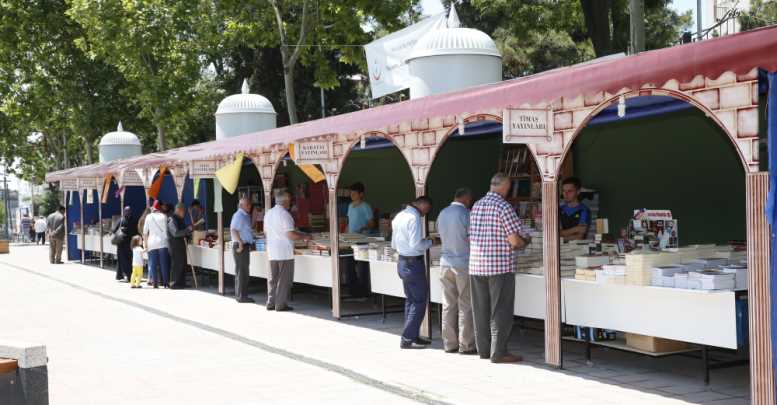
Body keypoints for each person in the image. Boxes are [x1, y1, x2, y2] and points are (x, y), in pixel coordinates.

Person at [469, 173, 530, 363]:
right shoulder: (504, 206)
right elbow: (514, 240)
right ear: (505, 187)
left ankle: (484, 350)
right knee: (500, 310)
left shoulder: (476, 205)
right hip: (499, 266)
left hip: (476, 265)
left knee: (480, 310)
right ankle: (499, 352)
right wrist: (525, 241)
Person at [437, 188, 476, 355]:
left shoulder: (442, 213)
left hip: (445, 263)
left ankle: (449, 343)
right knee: (465, 304)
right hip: (463, 263)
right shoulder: (466, 214)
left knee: (448, 304)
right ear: (466, 199)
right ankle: (466, 344)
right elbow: (471, 238)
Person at [391, 196, 434, 349]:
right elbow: (416, 244)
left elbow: (394, 243)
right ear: (423, 204)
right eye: (427, 210)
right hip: (413, 263)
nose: (425, 214)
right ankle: (408, 338)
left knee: (411, 300)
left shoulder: (399, 216)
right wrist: (430, 242)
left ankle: (413, 335)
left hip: (402, 261)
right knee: (419, 301)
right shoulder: (414, 217)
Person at [264, 189, 312, 311]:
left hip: (272, 250)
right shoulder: (285, 214)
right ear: (285, 201)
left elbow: (265, 232)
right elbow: (290, 234)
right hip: (284, 251)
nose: (290, 202)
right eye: (289, 200)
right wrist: (304, 236)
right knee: (284, 280)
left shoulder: (268, 213)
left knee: (273, 279)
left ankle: (271, 302)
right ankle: (280, 304)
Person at [346, 182, 374, 297]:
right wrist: (345, 234)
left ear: (361, 194)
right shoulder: (350, 206)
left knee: (362, 267)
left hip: (362, 240)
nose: (352, 195)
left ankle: (364, 292)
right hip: (350, 239)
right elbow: (349, 222)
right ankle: (352, 291)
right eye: (351, 193)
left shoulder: (365, 206)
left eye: (354, 193)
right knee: (349, 265)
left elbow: (372, 223)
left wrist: (362, 228)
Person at [231, 196, 255, 303]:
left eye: (250, 204)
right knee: (242, 271)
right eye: (247, 204)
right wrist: (240, 243)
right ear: (241, 205)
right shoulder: (239, 215)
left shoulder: (245, 215)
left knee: (244, 271)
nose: (249, 206)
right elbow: (233, 230)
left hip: (245, 245)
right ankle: (241, 296)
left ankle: (242, 295)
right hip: (240, 246)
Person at [143, 201, 170, 288]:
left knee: (153, 263)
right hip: (162, 242)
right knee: (163, 263)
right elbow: (166, 230)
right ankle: (165, 283)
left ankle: (155, 283)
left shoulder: (148, 217)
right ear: (159, 208)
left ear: (153, 208)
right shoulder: (164, 216)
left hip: (152, 242)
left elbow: (145, 232)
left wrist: (145, 244)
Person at [168, 203, 193, 289]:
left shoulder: (180, 219)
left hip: (181, 244)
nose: (184, 214)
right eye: (183, 212)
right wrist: (187, 230)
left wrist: (188, 232)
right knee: (176, 264)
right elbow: (175, 233)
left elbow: (183, 230)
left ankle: (181, 282)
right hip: (175, 245)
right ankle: (174, 283)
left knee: (183, 264)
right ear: (178, 210)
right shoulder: (172, 219)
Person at [559, 177, 591, 241]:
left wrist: (560, 237)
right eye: (564, 191)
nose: (566, 194)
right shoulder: (559, 209)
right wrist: (576, 229)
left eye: (570, 191)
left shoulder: (584, 210)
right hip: (560, 248)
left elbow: (579, 237)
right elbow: (555, 233)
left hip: (577, 248)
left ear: (578, 192)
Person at [113, 206, 136, 282]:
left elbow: (114, 230)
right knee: (128, 260)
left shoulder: (121, 220)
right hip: (130, 243)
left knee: (121, 260)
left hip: (121, 243)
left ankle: (121, 275)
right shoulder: (133, 220)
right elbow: (135, 232)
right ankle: (128, 275)